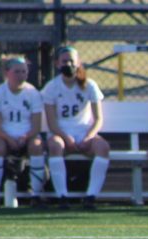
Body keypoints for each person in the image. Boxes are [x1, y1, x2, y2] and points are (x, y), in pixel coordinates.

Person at [42, 45, 110, 209]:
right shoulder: (52, 87)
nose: (68, 64)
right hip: (62, 134)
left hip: (84, 133)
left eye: (72, 61)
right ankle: (62, 196)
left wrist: (89, 137)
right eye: (64, 61)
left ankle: (91, 196)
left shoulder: (89, 85)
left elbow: (98, 118)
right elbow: (52, 123)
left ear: (79, 62)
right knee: (55, 145)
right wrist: (66, 138)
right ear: (57, 64)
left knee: (103, 147)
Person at [0, 56, 46, 207]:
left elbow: (36, 126)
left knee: (37, 146)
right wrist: (9, 138)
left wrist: (25, 137)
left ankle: (36, 195)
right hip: (5, 136)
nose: (21, 76)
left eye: (24, 72)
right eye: (17, 72)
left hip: (27, 136)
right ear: (7, 73)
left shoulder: (33, 93)